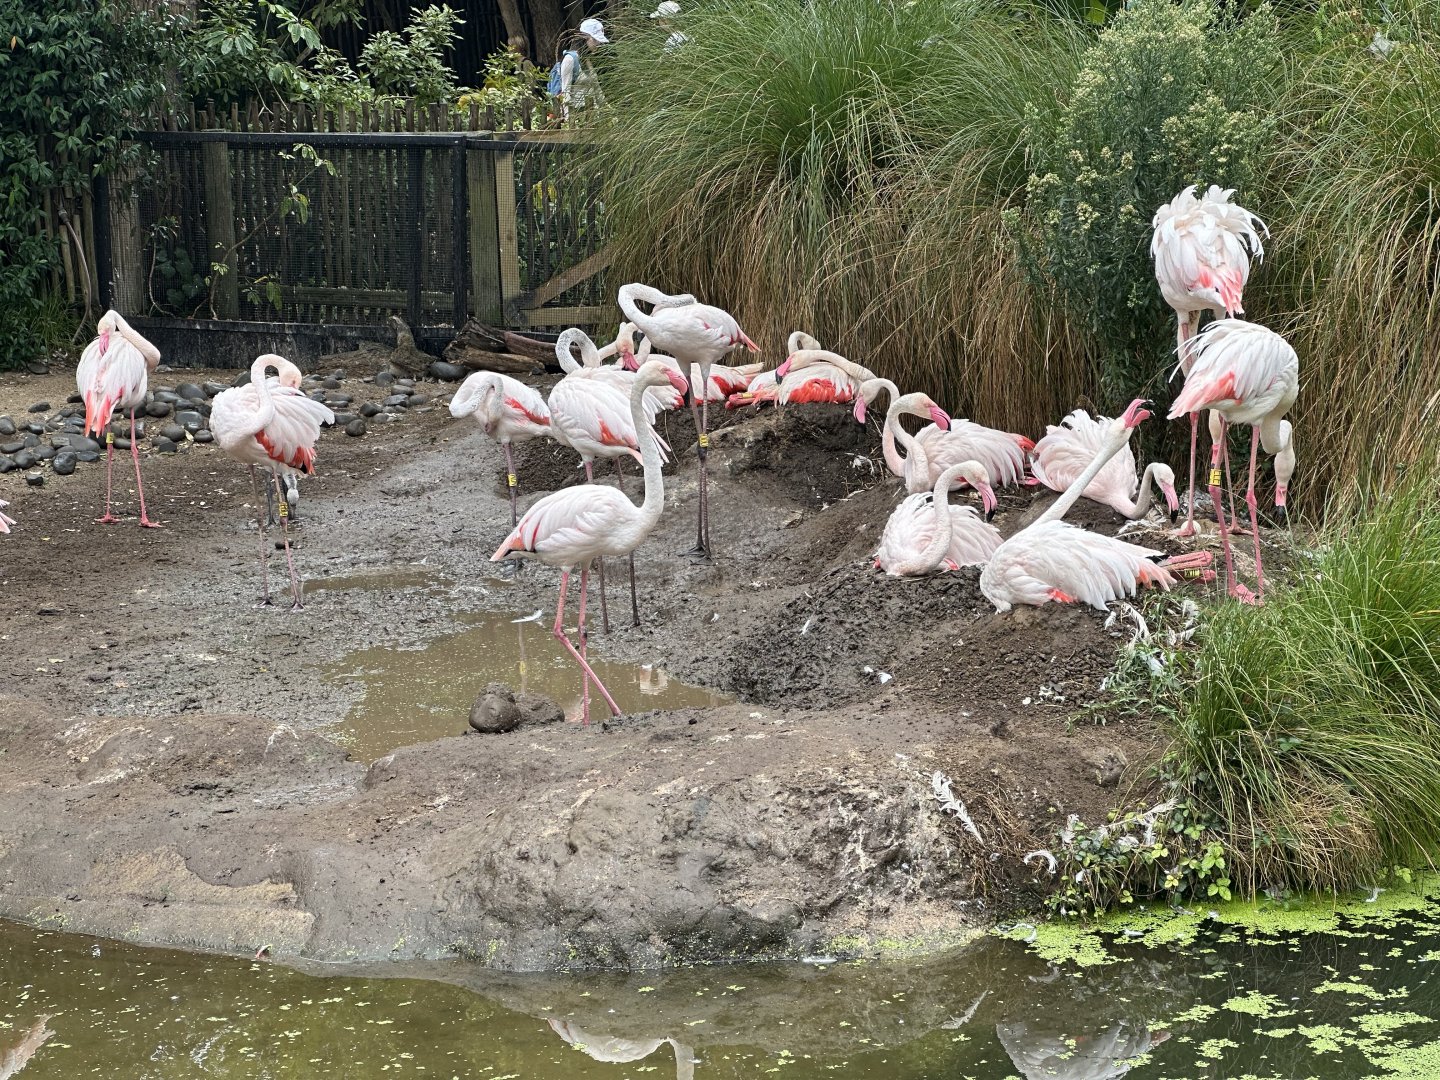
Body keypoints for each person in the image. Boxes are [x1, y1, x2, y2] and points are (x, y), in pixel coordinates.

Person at [553, 18, 608, 120]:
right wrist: (570, 122)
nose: (598, 43)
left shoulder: (587, 60)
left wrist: (608, 113)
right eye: (595, 39)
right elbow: (565, 93)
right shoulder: (570, 60)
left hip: (594, 118)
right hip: (578, 119)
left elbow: (597, 90)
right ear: (585, 38)